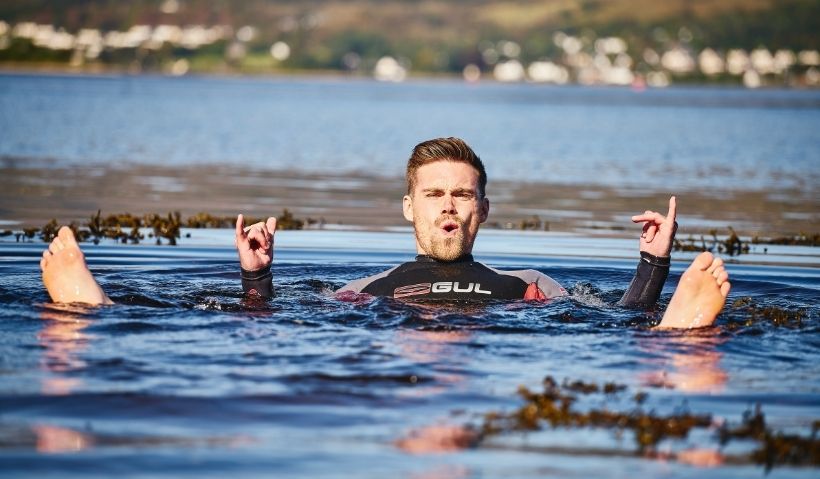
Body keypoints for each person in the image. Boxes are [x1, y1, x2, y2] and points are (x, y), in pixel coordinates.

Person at [40, 138, 730, 329]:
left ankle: (682, 336)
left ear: (485, 209)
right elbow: (269, 324)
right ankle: (90, 311)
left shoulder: (530, 287)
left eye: (463, 195)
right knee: (201, 314)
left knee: (646, 329)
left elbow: (615, 322)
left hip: (506, 331)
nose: (449, 207)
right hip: (380, 341)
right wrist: (256, 278)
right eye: (434, 195)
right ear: (408, 208)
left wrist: (651, 267)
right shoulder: (365, 289)